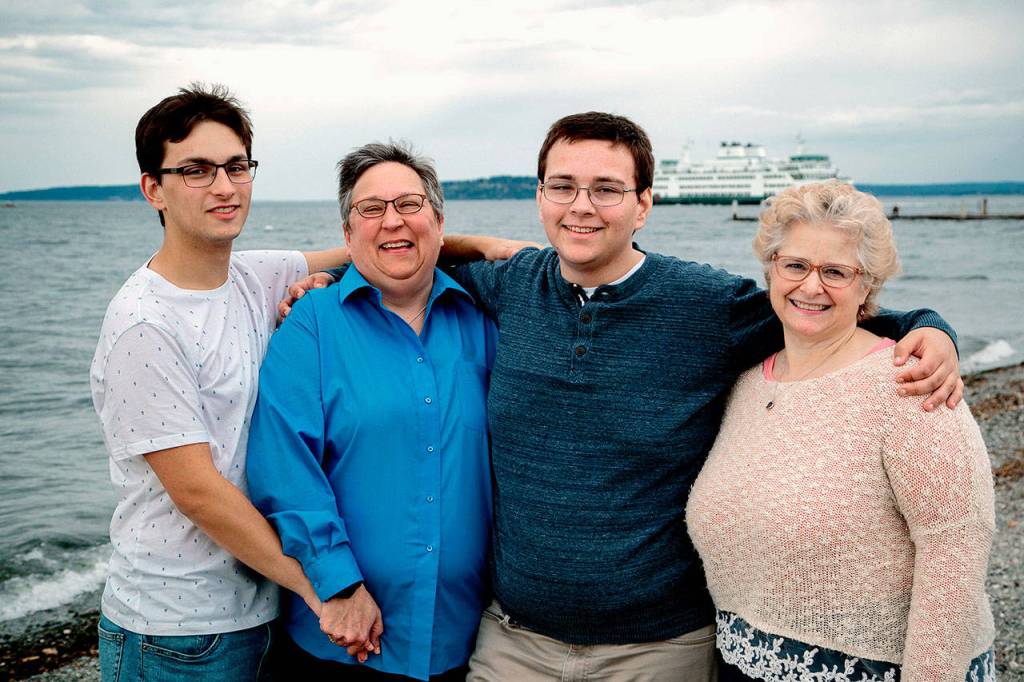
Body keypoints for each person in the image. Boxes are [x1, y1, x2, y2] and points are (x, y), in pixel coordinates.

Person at [280, 112, 963, 681]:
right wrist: (318, 279)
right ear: (540, 196)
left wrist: (928, 328)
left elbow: (820, 303)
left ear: (644, 202)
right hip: (513, 640)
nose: (582, 205)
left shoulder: (703, 304)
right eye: (563, 187)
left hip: (660, 649)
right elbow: (406, 247)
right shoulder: (508, 288)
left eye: (606, 189)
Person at [686, 181, 995, 681]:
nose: (811, 287)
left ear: (867, 285)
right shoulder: (744, 385)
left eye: (836, 271)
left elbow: (955, 553)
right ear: (770, 271)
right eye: (795, 266)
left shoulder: (911, 385)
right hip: (743, 665)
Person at [89, 84, 347, 681]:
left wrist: (488, 248)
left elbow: (378, 249)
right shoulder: (143, 323)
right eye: (197, 171)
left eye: (236, 167)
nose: (225, 187)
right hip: (175, 631)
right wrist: (325, 590)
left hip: (258, 608)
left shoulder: (253, 275)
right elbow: (198, 492)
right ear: (154, 188)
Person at [245, 142, 499, 681]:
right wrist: (339, 586)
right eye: (371, 209)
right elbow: (285, 468)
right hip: (343, 639)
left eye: (409, 204)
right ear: (346, 233)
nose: (392, 222)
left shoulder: (486, 321)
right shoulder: (311, 322)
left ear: (438, 220)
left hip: (468, 641)